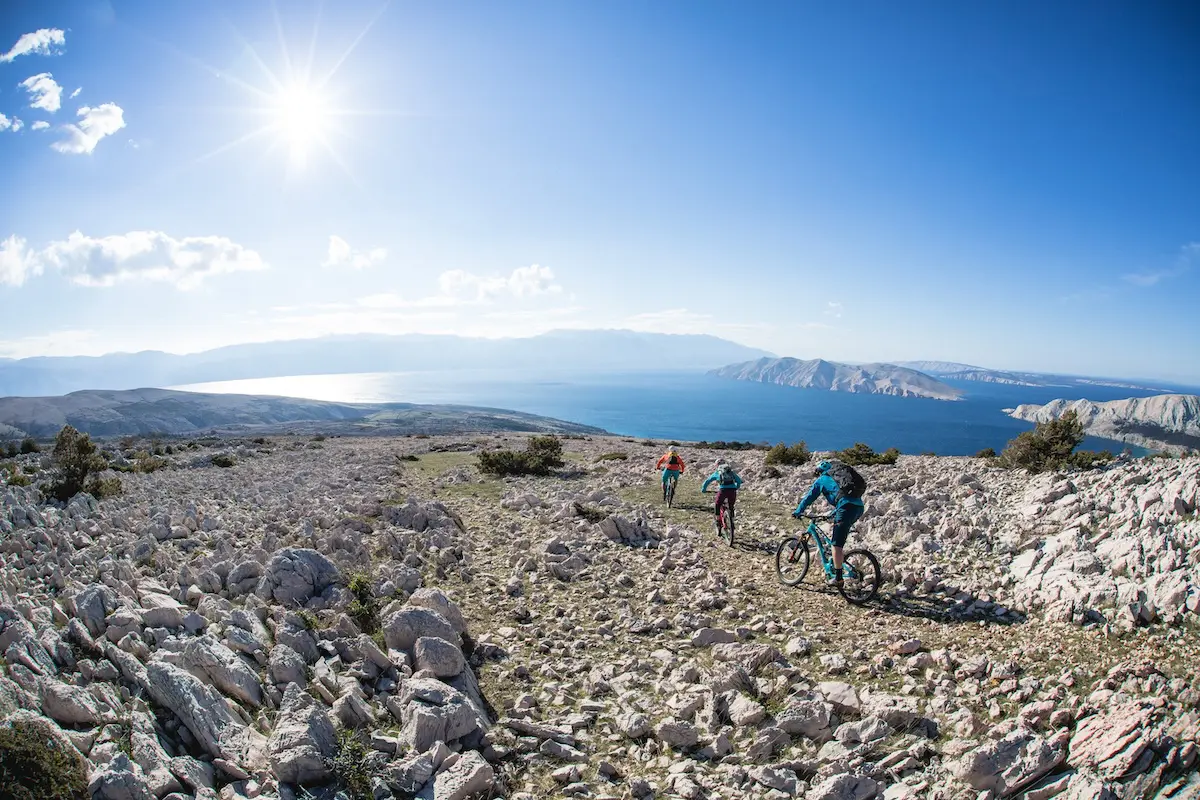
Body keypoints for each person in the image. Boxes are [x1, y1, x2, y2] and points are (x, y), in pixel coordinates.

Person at [792, 459, 866, 586]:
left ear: (820, 471)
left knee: (836, 545)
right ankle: (836, 563)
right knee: (839, 536)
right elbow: (843, 498)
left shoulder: (822, 480)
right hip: (858, 508)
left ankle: (838, 579)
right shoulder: (839, 479)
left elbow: (809, 497)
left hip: (845, 508)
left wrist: (798, 511)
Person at [701, 459, 743, 528]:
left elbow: (707, 481)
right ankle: (731, 521)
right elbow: (738, 480)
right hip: (732, 491)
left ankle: (718, 521)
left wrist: (703, 489)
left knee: (717, 504)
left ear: (717, 465)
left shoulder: (717, 472)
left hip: (723, 490)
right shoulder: (730, 472)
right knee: (731, 506)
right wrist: (736, 487)